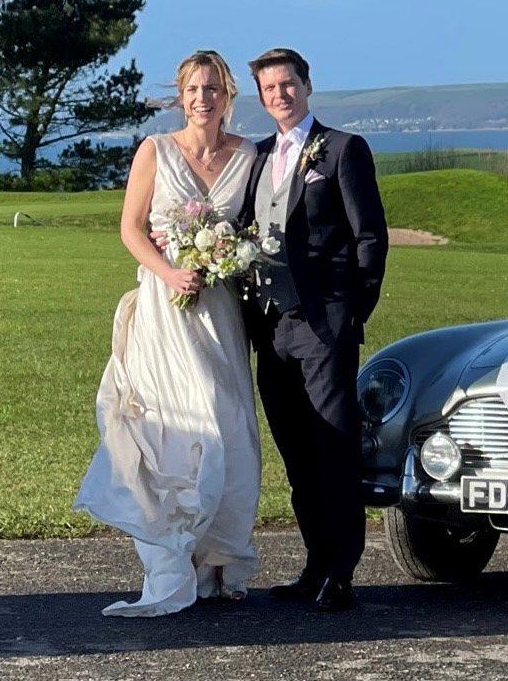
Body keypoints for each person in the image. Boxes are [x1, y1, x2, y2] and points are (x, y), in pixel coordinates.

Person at [74, 50, 262, 617]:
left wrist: (229, 257)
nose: (202, 98)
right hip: (166, 307)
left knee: (231, 425)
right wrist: (170, 271)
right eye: (192, 89)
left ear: (228, 96)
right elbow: (130, 230)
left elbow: (253, 228)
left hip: (221, 312)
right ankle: (170, 559)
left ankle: (217, 561)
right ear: (180, 97)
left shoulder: (247, 156)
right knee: (178, 425)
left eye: (212, 88)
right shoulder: (155, 151)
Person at [237, 47, 388, 612]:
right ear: (261, 96)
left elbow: (370, 236)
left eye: (288, 84)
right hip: (271, 329)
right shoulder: (255, 157)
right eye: (270, 88)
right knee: (297, 454)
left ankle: (341, 574)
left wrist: (353, 311)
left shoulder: (344, 149)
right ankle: (314, 565)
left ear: (307, 86)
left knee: (333, 448)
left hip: (325, 325)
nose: (280, 94)